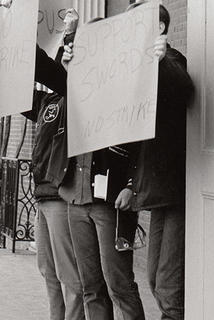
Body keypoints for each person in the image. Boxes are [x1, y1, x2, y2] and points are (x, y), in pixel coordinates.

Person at [60, 18, 145, 320]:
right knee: (91, 287)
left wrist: (133, 186)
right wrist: (66, 54)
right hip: (76, 198)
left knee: (119, 284)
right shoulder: (73, 84)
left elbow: (143, 143)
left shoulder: (127, 87)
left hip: (111, 201)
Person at [114, 4, 193, 320]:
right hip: (157, 192)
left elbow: (184, 88)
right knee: (155, 281)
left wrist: (159, 61)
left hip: (174, 191)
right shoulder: (140, 69)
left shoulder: (170, 61)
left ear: (159, 28)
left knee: (169, 289)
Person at [22, 9, 85, 320]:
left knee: (68, 273)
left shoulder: (80, 94)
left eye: (68, 54)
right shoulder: (47, 102)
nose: (64, 58)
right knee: (47, 270)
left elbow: (49, 71)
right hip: (42, 195)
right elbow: (9, 84)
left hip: (62, 194)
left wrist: (71, 33)